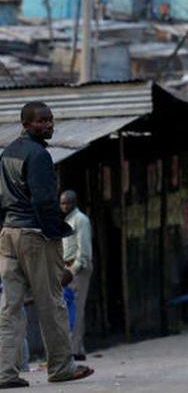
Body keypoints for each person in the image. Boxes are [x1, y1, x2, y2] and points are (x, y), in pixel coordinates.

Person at [0, 102, 94, 387]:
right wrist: (54, 232)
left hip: (9, 233)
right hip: (35, 235)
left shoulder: (8, 152)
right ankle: (61, 366)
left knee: (10, 308)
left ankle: (5, 373)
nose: (49, 125)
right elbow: (43, 200)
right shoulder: (39, 155)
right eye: (41, 121)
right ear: (26, 124)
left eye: (50, 119)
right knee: (52, 302)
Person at [59, 190, 92, 361]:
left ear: (74, 203)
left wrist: (74, 269)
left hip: (77, 269)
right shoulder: (65, 220)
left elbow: (84, 248)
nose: (64, 206)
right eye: (62, 203)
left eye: (67, 203)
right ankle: (78, 349)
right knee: (71, 308)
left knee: (76, 309)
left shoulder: (80, 220)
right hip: (67, 268)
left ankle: (74, 349)